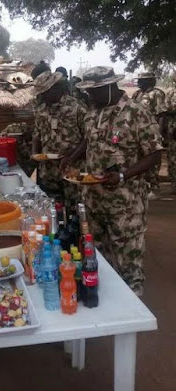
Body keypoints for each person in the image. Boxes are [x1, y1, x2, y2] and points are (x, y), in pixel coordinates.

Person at [64, 66, 162, 296]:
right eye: (87, 92)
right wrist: (72, 157)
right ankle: (109, 309)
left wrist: (122, 175)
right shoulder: (93, 112)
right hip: (94, 201)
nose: (90, 96)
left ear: (110, 87)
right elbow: (89, 142)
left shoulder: (137, 112)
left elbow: (155, 154)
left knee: (129, 264)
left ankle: (132, 320)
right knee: (99, 260)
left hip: (125, 206)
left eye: (94, 92)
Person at [32, 71, 86, 209]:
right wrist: (35, 153)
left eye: (45, 92)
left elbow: (89, 139)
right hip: (48, 170)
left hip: (72, 169)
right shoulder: (41, 110)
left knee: (74, 210)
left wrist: (72, 155)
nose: (42, 96)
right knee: (51, 209)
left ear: (56, 88)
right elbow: (37, 134)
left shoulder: (77, 108)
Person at [132, 72, 167, 199]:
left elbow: (161, 114)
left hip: (152, 130)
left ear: (149, 81)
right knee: (139, 159)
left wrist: (160, 132)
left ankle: (155, 188)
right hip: (138, 132)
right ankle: (143, 187)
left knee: (152, 159)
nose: (138, 83)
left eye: (142, 80)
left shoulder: (157, 94)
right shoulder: (137, 94)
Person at [165, 74, 176, 193]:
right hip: (172, 129)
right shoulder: (171, 92)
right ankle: (174, 183)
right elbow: (165, 109)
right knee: (172, 156)